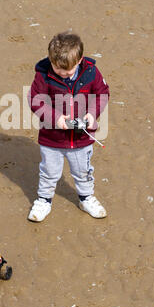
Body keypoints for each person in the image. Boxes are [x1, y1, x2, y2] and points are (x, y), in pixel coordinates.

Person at [27, 32, 110, 222]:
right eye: (57, 69)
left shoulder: (91, 72)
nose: (63, 73)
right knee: (49, 172)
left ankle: (86, 198)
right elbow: (35, 100)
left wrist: (91, 113)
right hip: (52, 138)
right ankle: (44, 200)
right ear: (51, 60)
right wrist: (57, 119)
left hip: (82, 139)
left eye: (68, 71)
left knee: (84, 172)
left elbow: (102, 93)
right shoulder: (43, 74)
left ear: (80, 60)